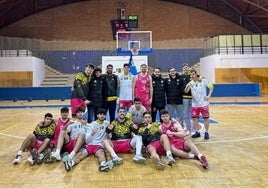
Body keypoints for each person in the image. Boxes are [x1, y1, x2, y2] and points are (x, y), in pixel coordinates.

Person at [185, 69, 214, 140]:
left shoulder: (203, 80)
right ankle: (197, 132)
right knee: (195, 119)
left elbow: (211, 87)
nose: (192, 76)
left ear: (196, 74)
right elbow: (186, 91)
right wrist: (187, 86)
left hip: (204, 104)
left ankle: (206, 132)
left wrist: (209, 95)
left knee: (206, 119)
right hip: (195, 105)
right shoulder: (190, 83)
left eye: (193, 74)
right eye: (190, 75)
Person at [180, 64, 192, 135]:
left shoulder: (193, 75)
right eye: (184, 68)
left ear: (189, 68)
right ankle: (188, 129)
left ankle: (196, 130)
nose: (185, 69)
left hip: (194, 99)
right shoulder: (181, 77)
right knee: (187, 115)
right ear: (182, 69)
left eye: (186, 67)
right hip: (185, 98)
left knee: (194, 115)